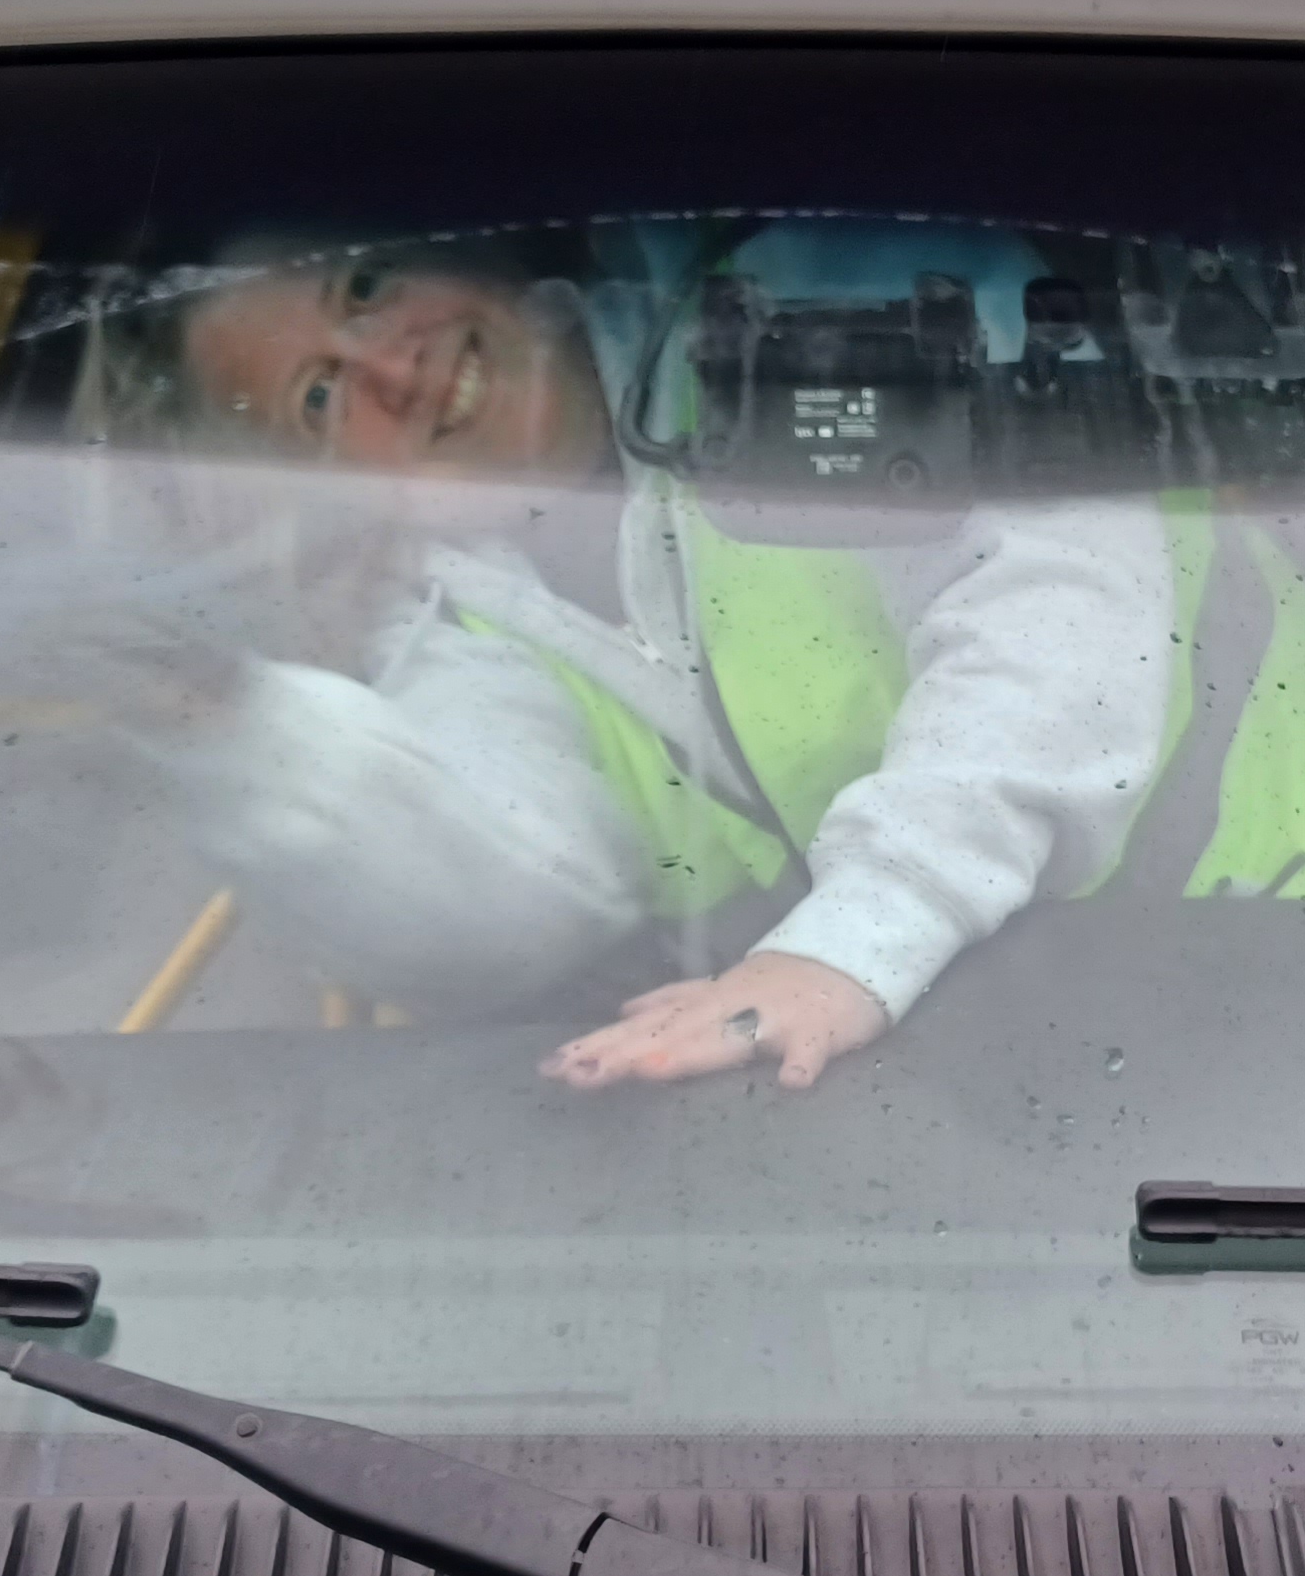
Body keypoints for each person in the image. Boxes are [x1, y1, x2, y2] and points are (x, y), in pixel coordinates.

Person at [178, 219, 1194, 1090]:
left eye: (366, 289)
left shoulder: (837, 289)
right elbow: (501, 903)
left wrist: (868, 931)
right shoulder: (459, 628)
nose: (392, 369)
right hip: (950, 1082)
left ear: (470, 257)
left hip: (1272, 951)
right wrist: (224, 719)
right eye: (319, 397)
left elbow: (1059, 615)